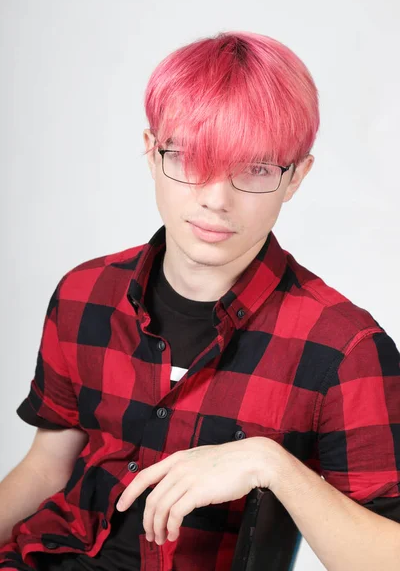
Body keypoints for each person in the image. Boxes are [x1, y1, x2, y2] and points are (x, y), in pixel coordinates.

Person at [0, 30, 399, 571]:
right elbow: (46, 469)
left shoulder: (345, 348)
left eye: (255, 169)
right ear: (150, 151)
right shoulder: (84, 293)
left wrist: (272, 464)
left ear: (296, 177)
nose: (215, 199)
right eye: (189, 158)